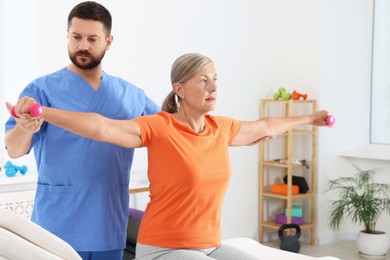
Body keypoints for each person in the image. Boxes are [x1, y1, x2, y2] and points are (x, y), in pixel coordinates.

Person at [7, 53, 332, 260]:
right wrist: (44, 112)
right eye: (202, 80)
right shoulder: (159, 127)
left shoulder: (222, 128)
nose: (212, 86)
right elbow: (103, 128)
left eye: (215, 78)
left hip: (209, 243)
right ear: (180, 89)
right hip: (164, 248)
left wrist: (308, 119)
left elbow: (264, 126)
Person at [4, 1, 159, 259]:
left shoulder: (131, 96)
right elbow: (14, 149)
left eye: (92, 39)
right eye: (76, 37)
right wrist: (23, 127)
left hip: (108, 223)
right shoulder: (41, 90)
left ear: (108, 42)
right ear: (67, 36)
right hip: (55, 224)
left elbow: (170, 132)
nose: (83, 46)